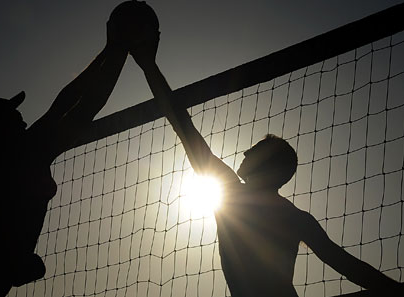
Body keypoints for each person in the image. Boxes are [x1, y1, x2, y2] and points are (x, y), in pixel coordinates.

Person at [129, 27, 401, 297]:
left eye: (256, 150)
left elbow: (181, 123)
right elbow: (347, 265)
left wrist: (148, 65)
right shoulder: (289, 215)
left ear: (269, 167)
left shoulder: (235, 195)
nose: (246, 152)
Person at [0, 17, 129, 297]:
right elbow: (86, 105)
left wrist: (111, 50)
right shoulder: (23, 154)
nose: (21, 117)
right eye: (13, 114)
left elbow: (63, 104)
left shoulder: (6, 158)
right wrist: (118, 50)